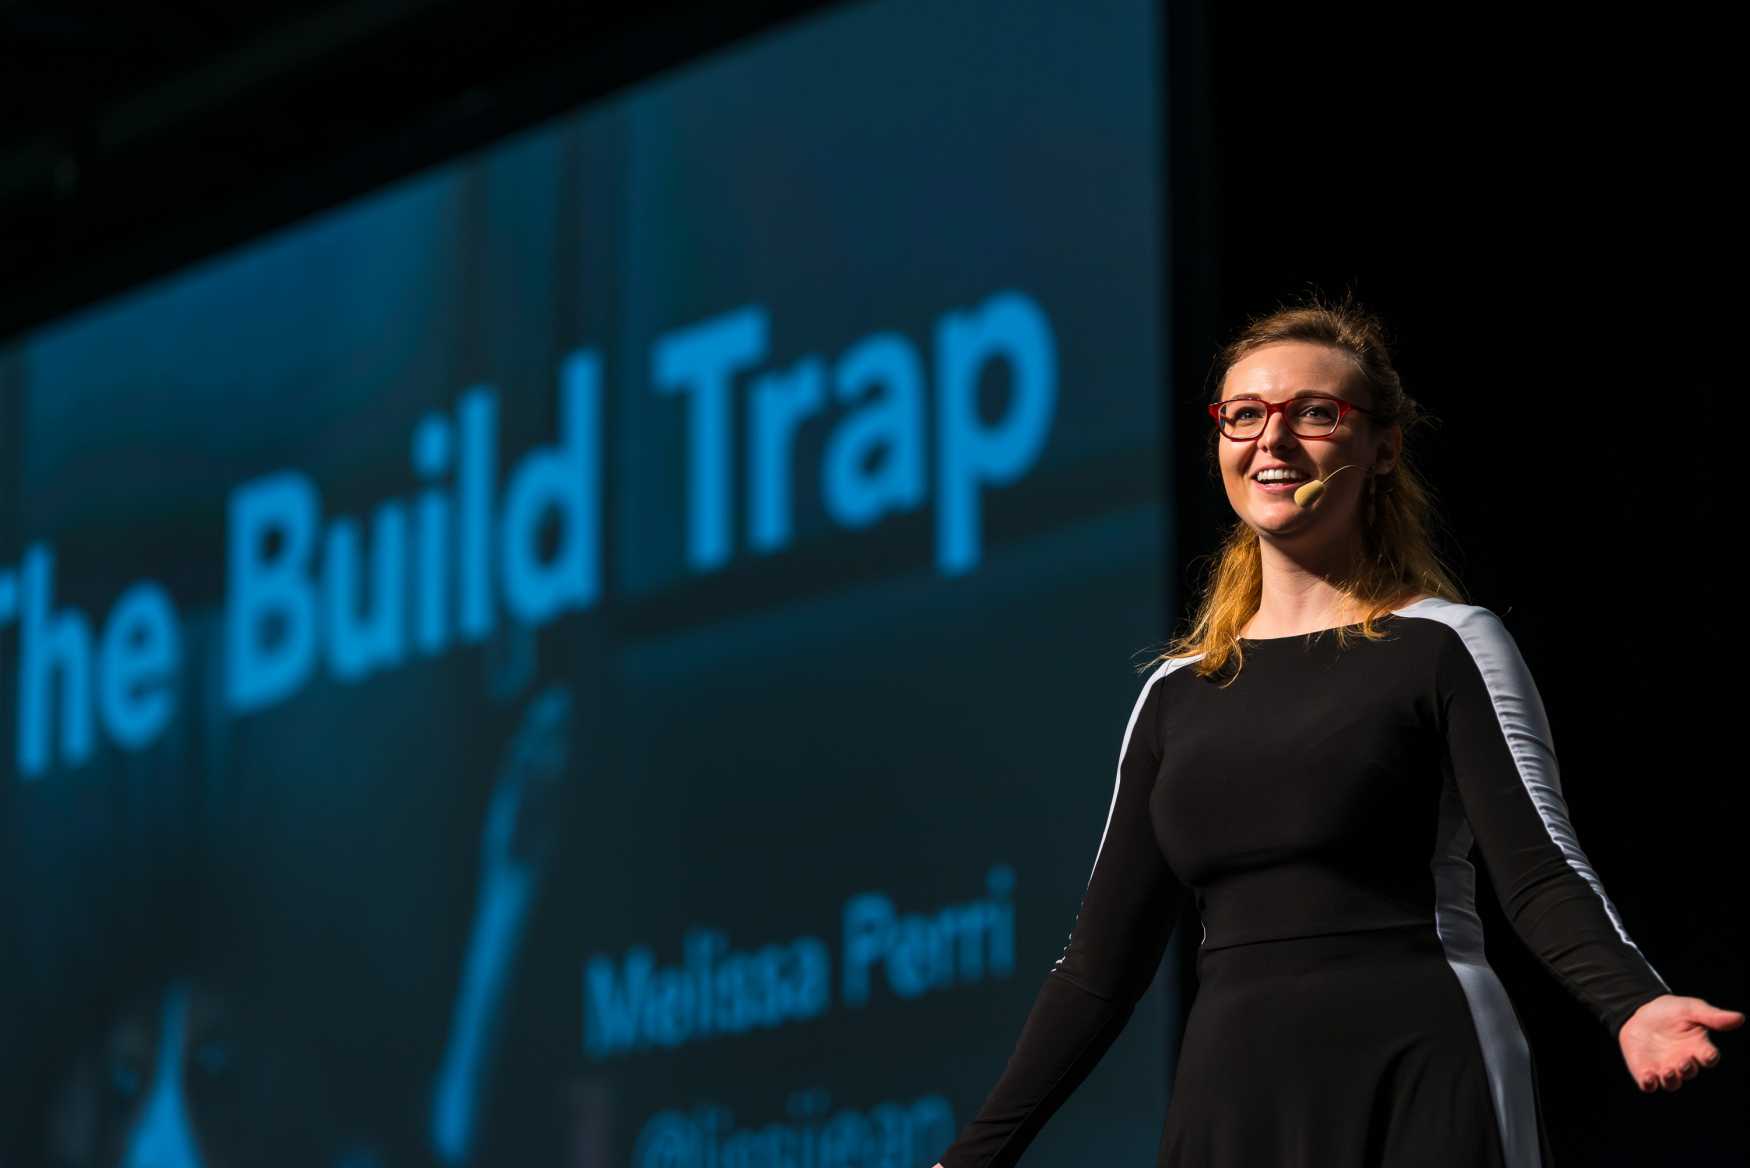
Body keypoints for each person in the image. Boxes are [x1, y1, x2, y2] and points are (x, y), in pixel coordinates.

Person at [931, 292, 1741, 1167]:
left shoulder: (1445, 643)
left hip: (1422, 1071)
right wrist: (969, 1158)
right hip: (1231, 1100)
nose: (1272, 440)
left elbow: (1539, 868)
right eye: (1244, 415)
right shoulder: (1176, 692)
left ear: (1382, 447)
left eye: (1314, 413)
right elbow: (1098, 969)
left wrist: (1631, 1002)